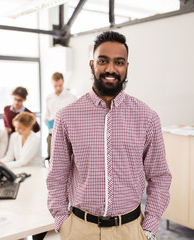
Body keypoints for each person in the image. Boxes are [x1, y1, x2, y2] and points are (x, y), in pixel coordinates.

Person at [46, 31, 172, 240]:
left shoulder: (147, 117)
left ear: (126, 67)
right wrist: (62, 221)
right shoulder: (66, 116)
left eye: (119, 62)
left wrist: (149, 226)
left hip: (130, 230)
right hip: (79, 229)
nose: (111, 69)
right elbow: (57, 176)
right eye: (103, 61)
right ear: (92, 64)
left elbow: (159, 176)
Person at [44, 72, 77, 160]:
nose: (58, 88)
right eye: (55, 86)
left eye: (60, 85)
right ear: (52, 83)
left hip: (67, 136)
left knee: (68, 161)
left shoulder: (72, 97)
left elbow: (75, 117)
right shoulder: (48, 98)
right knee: (52, 161)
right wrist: (47, 121)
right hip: (52, 134)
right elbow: (46, 115)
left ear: (63, 82)